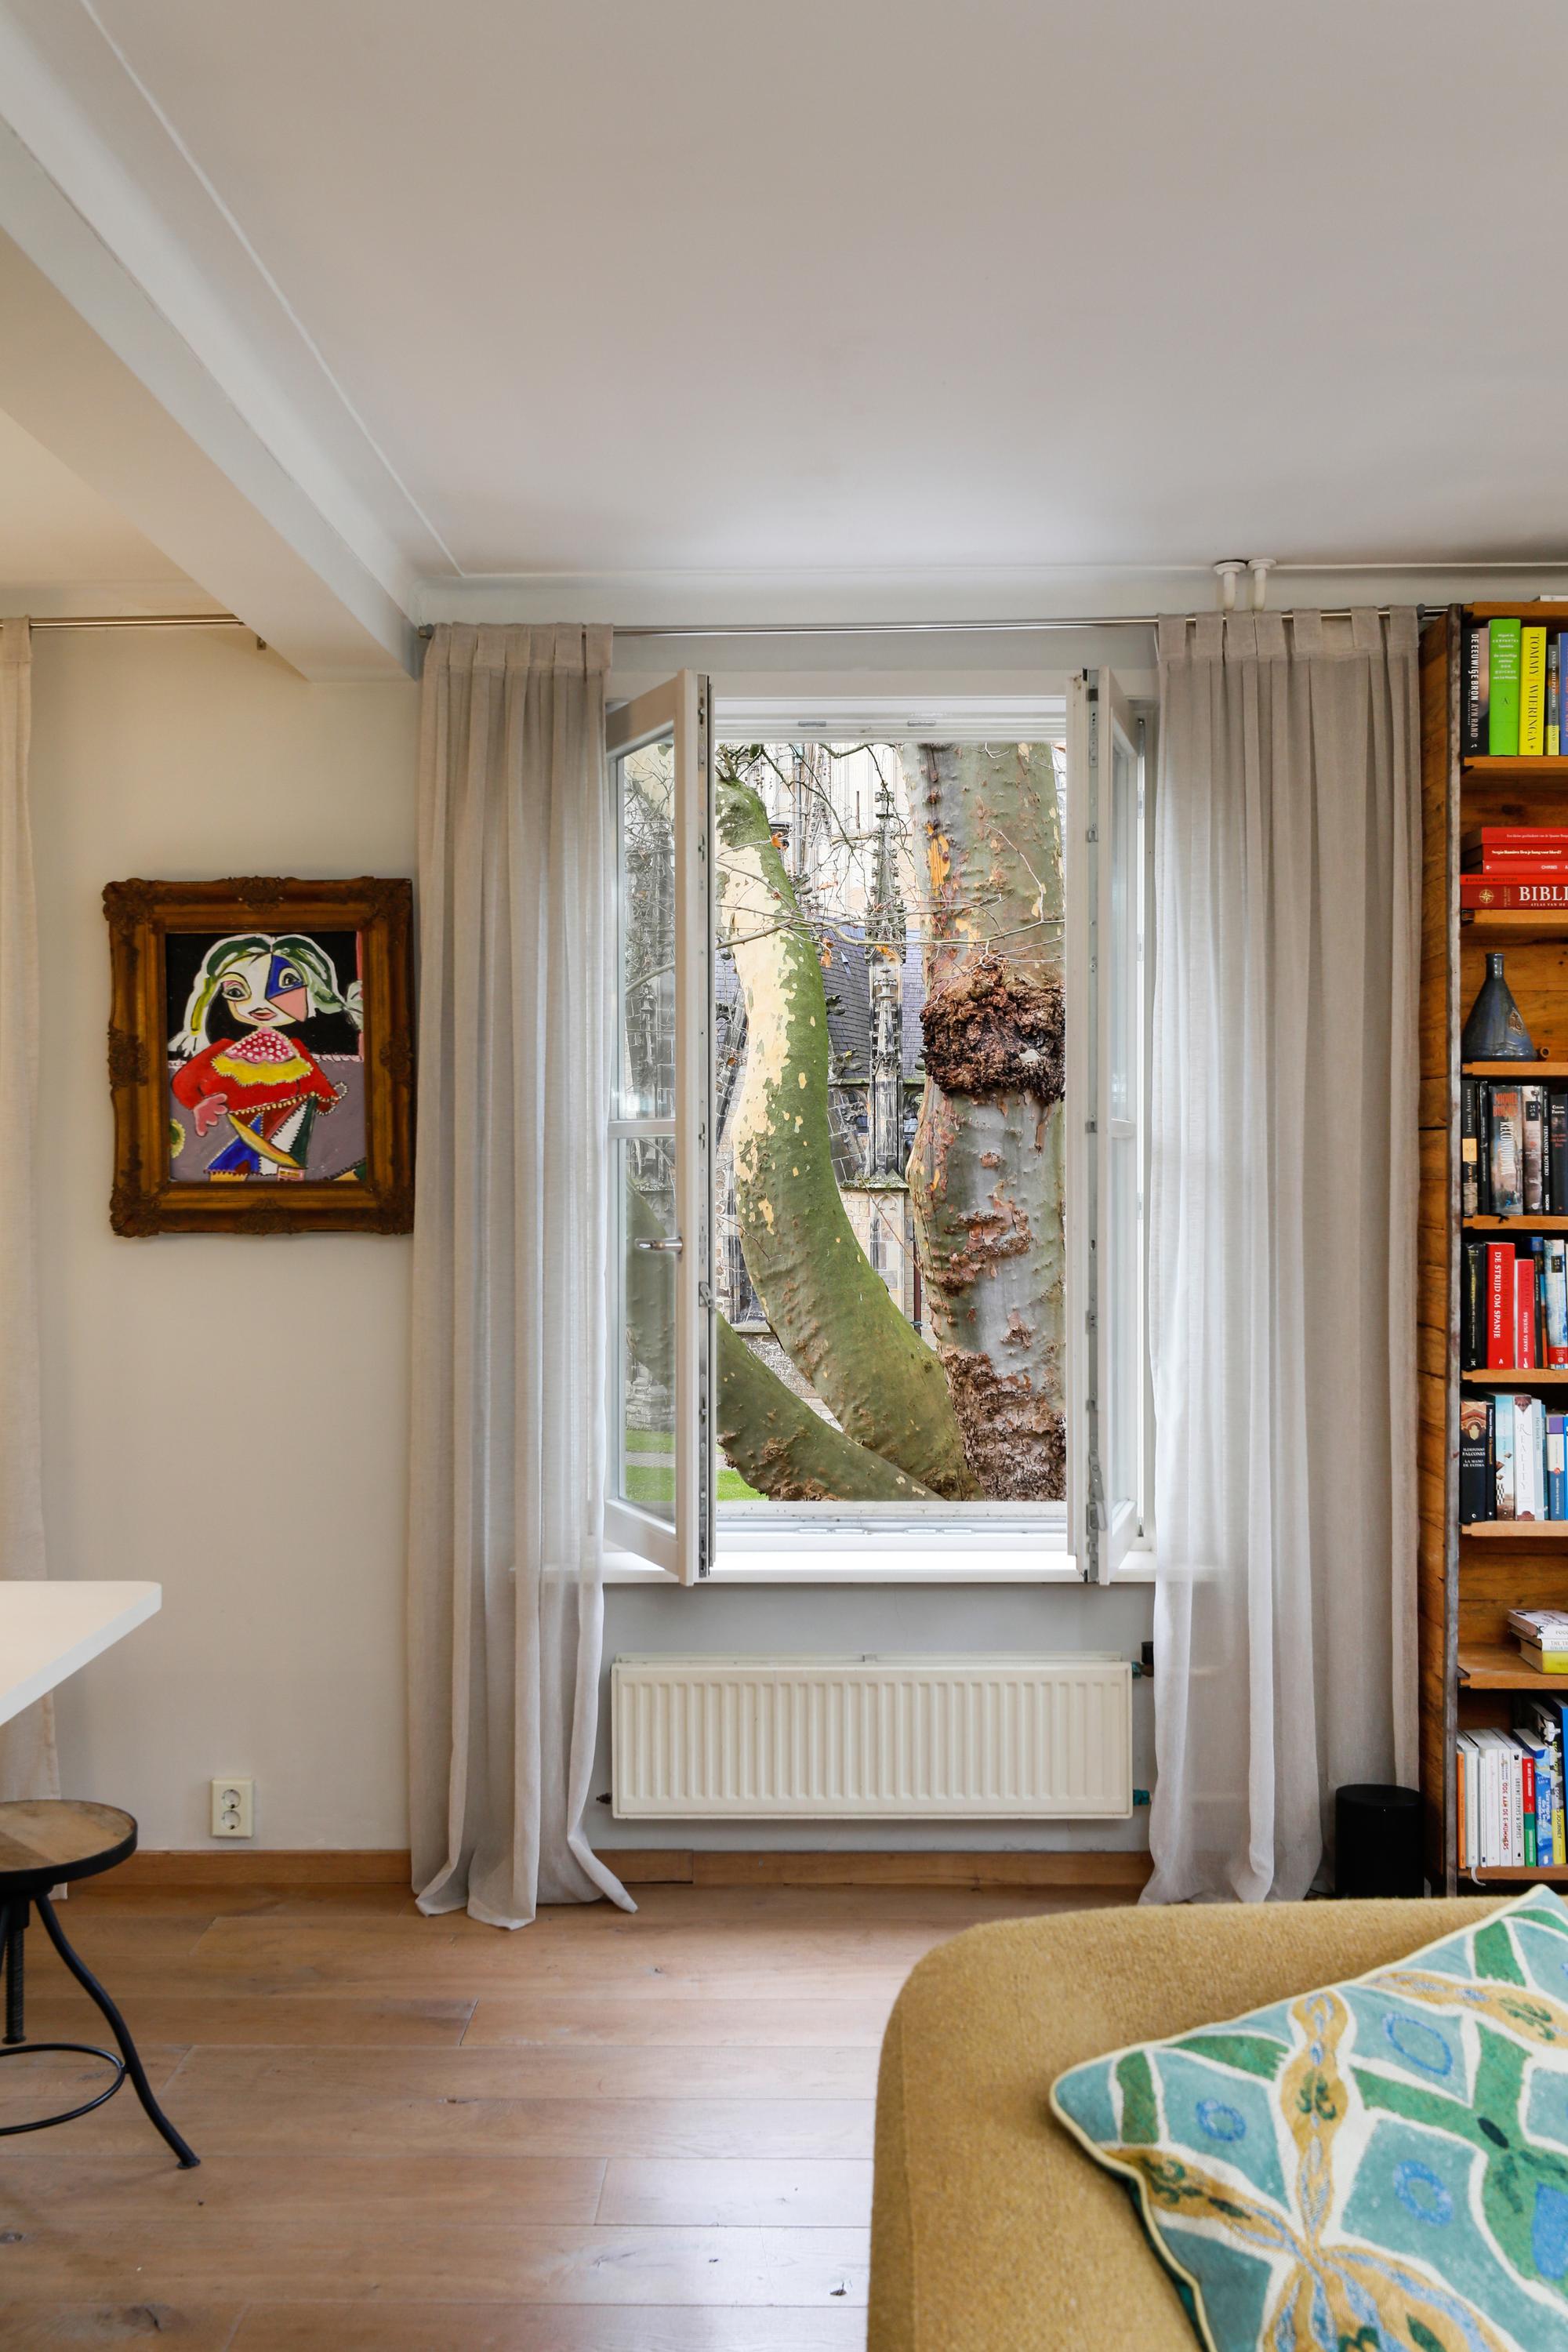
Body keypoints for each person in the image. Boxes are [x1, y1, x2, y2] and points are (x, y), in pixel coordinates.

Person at [169, 933, 361, 1180]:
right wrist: (198, 1105)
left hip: (289, 1128)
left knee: (289, 1170)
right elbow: (184, 1081)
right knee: (228, 1171)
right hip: (237, 1132)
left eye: (288, 982)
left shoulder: (295, 1050)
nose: (261, 1003)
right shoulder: (221, 1051)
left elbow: (313, 1083)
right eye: (236, 991)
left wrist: (328, 1099)